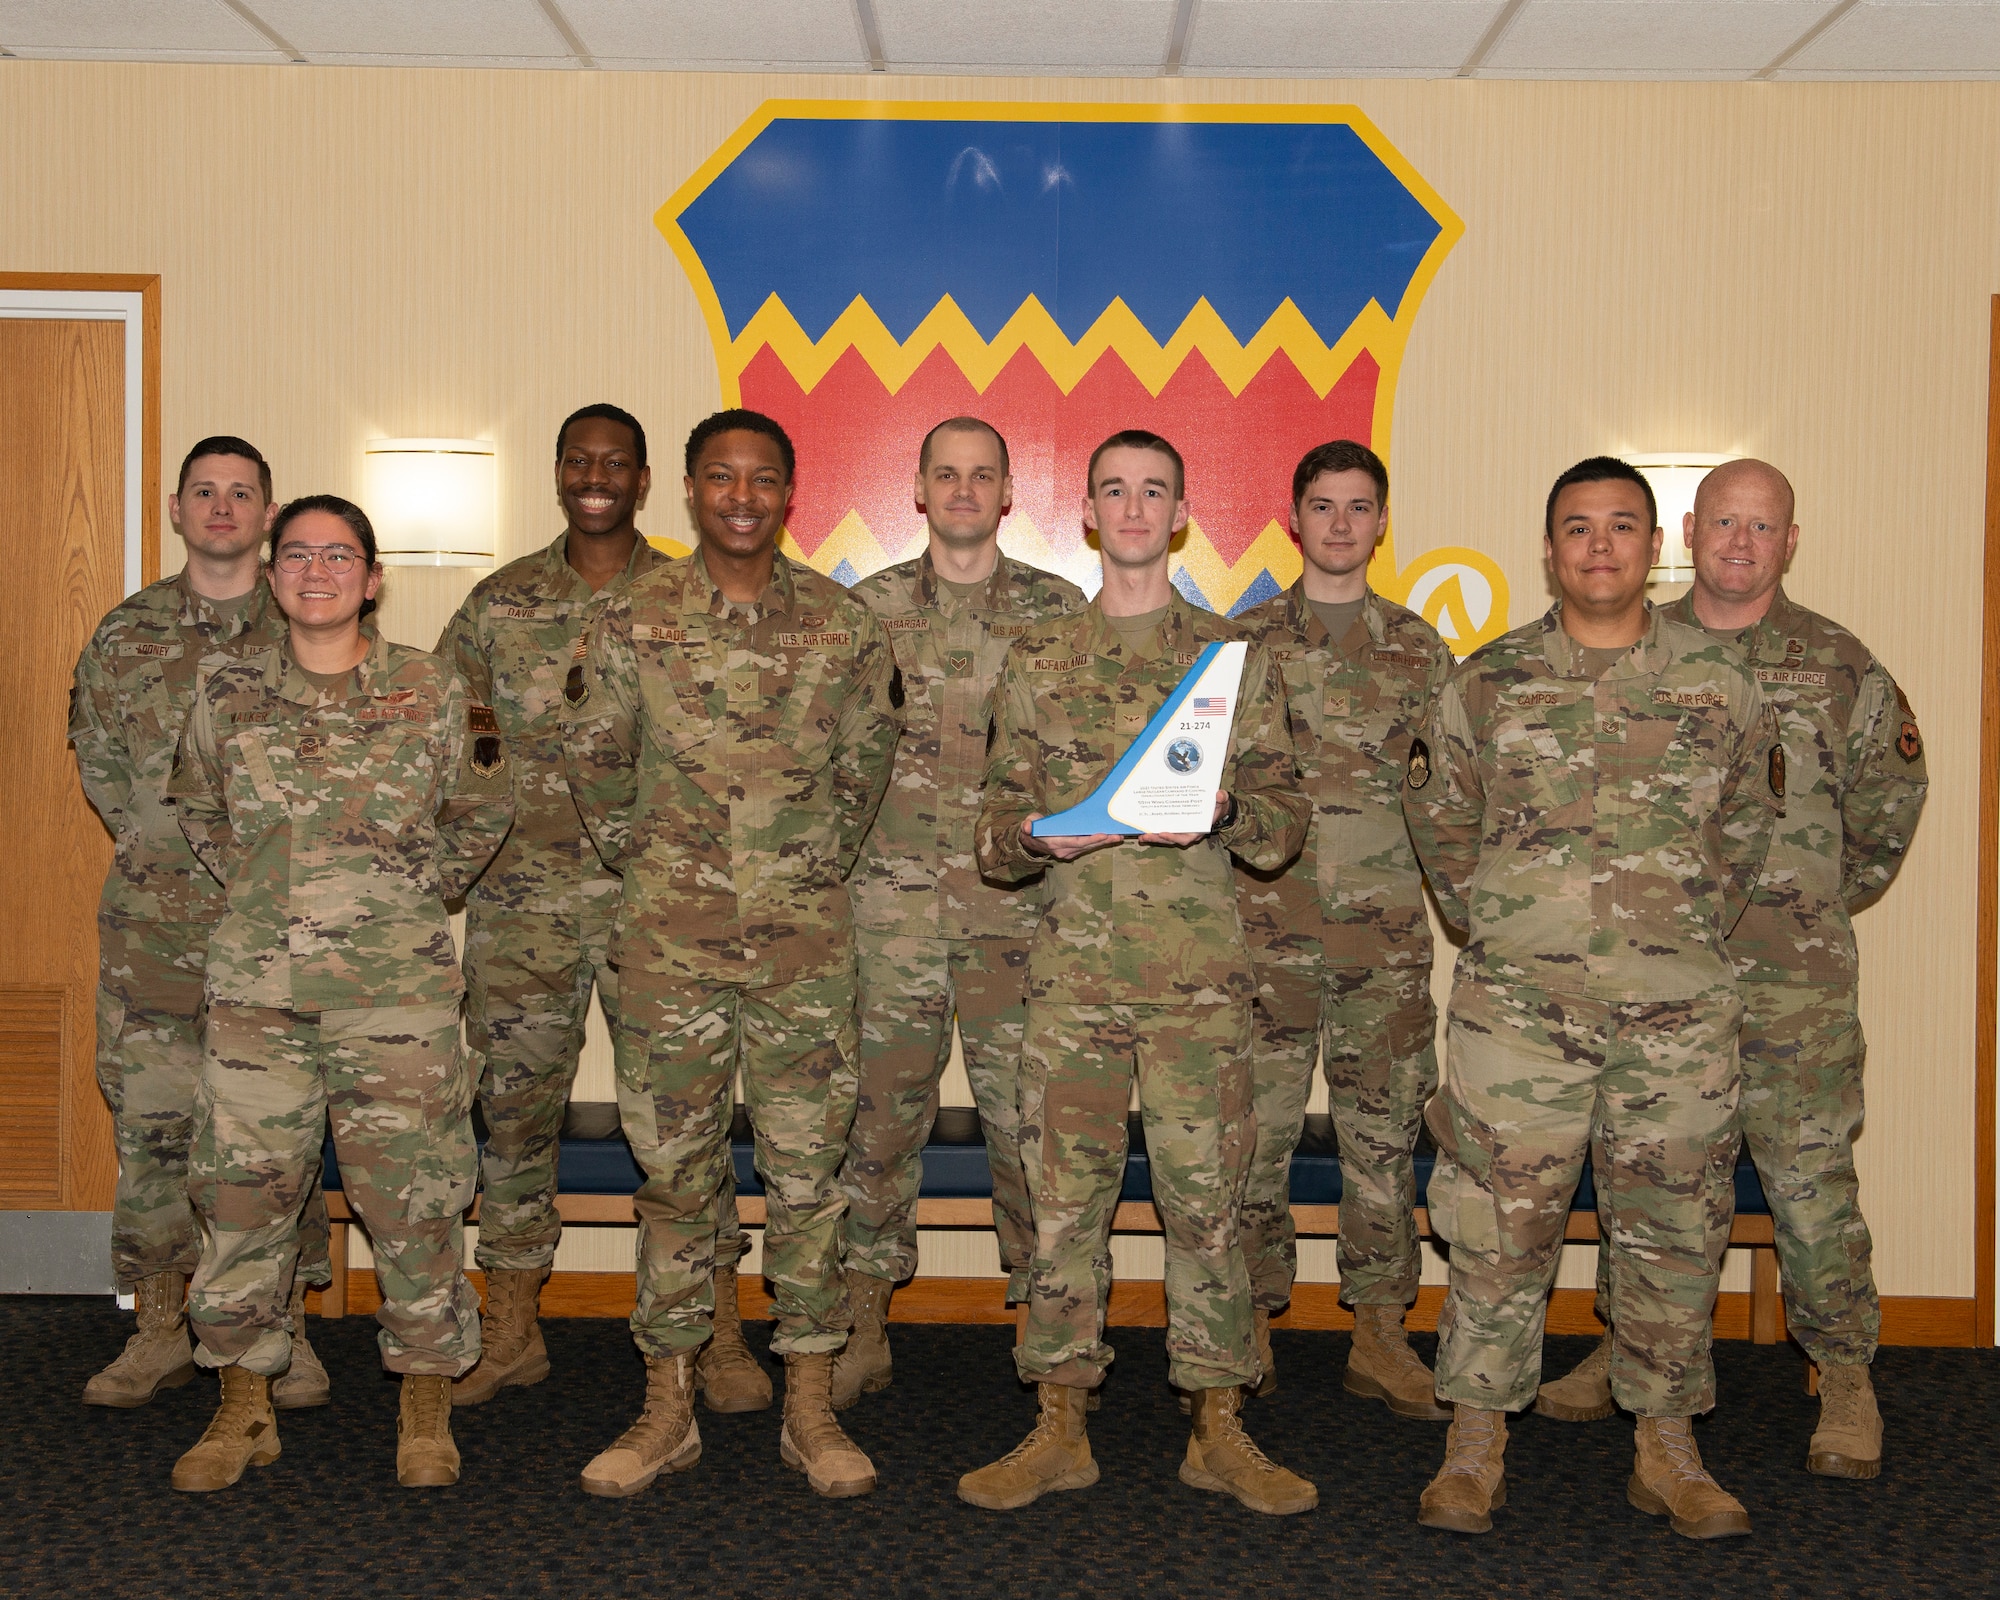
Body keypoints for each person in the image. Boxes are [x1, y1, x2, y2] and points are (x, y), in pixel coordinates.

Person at [1405, 456, 1783, 1539]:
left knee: (1672, 1229)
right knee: (1493, 1229)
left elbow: (1745, 837)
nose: (1599, 547)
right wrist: (1514, 933)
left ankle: (1664, 1447)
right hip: (1517, 1017)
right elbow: (1443, 833)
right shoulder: (1484, 683)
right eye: (1576, 528)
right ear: (1548, 550)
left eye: (1621, 526)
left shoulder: (1721, 688)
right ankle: (1473, 1443)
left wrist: (1671, 938)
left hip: (1676, 1017)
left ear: (1652, 545)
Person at [1537, 459, 1927, 1482]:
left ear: (1787, 542)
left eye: (1762, 527)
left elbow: (1887, 810)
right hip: (1657, 979)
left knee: (1807, 1183)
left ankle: (1842, 1372)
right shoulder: (1633, 651)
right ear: (1687, 532)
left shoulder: (1838, 666)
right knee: (1647, 1179)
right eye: (1722, 523)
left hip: (1791, 990)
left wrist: (1804, 903)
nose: (1740, 543)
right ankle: (1632, 1347)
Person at [959, 429, 1316, 1516]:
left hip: (1197, 983)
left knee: (1207, 1209)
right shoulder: (1040, 660)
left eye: (1150, 490)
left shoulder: (1229, 658)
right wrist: (1030, 833)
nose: (1129, 507)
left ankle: (1215, 1425)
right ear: (1086, 512)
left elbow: (1283, 820)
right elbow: (988, 831)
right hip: (1070, 981)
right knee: (1063, 1208)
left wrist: (1224, 810)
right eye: (1110, 489)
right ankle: (1059, 1422)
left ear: (1177, 514)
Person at [566, 409, 899, 1500]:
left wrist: (790, 871)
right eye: (721, 477)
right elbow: (600, 770)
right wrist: (674, 870)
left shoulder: (843, 628)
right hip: (671, 945)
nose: (741, 495)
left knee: (807, 1181)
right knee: (674, 1180)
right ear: (692, 492)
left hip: (805, 946)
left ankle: (808, 1404)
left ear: (788, 495)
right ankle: (666, 1404)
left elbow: (861, 776)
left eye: (762, 479)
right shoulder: (630, 621)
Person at [164, 496, 513, 1492]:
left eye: (340, 555)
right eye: (299, 554)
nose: (317, 570)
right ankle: (242, 1402)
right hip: (257, 1001)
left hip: (394, 997)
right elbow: (197, 807)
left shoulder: (433, 686)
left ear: (371, 578)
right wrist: (267, 894)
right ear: (273, 575)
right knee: (241, 1197)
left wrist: (406, 897)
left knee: (416, 1204)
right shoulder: (224, 688)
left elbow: (482, 808)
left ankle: (424, 1399)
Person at [436, 404, 701, 1408]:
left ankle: (702, 1328)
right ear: (557, 475)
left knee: (680, 1121)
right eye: (578, 461)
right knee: (511, 1119)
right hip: (523, 906)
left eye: (615, 463)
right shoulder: (498, 604)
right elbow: (444, 742)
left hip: (662, 906)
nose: (595, 475)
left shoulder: (686, 597)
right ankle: (510, 1323)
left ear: (642, 481)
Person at [70, 437, 334, 1412]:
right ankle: (159, 1327)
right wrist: (151, 837)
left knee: (277, 1137)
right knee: (156, 1130)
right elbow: (94, 746)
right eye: (205, 493)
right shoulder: (125, 633)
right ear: (175, 509)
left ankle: (280, 1328)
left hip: (277, 930)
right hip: (155, 931)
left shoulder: (309, 625)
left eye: (242, 493)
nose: (222, 508)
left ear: (266, 514)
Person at [831, 417, 1085, 1408]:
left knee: (1032, 1132)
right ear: (920, 490)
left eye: (984, 474)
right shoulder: (867, 612)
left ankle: (1045, 1328)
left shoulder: (1061, 614)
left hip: (1016, 925)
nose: (966, 489)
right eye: (948, 473)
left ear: (1010, 492)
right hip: (889, 925)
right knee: (874, 1128)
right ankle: (859, 1320)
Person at [1232, 440, 1453, 1417]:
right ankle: (1245, 1316)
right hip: (1261, 945)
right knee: (1251, 1145)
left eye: (1357, 507)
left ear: (1379, 521)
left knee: (1380, 1147)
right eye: (1320, 505)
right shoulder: (1235, 646)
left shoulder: (1418, 651)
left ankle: (1377, 1329)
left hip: (1382, 953)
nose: (1338, 524)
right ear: (1293, 517)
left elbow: (1448, 803)